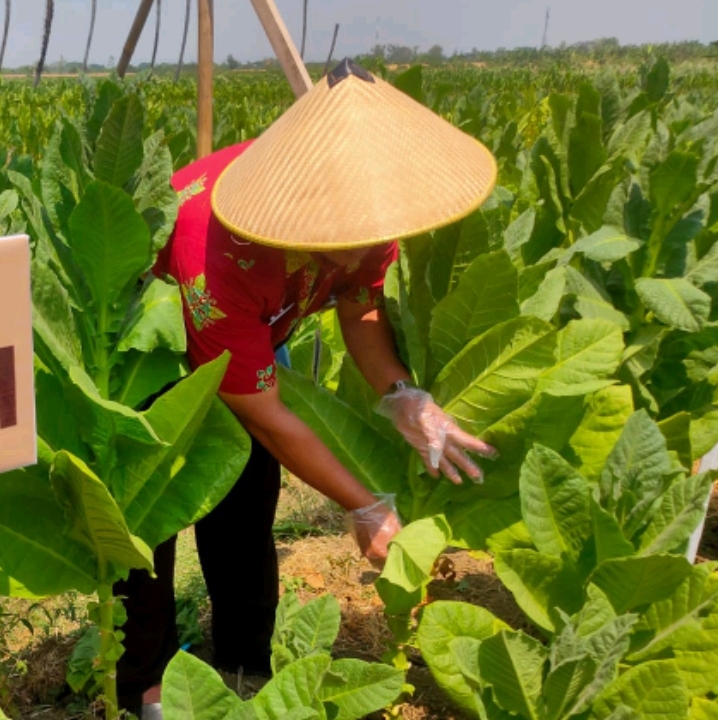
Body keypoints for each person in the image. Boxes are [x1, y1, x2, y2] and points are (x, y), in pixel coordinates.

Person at [118, 59, 500, 718]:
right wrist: (365, 505)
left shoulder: (371, 207)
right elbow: (264, 413)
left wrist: (399, 391)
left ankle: (243, 675)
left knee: (245, 510)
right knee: (145, 524)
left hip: (250, 337)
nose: (364, 250)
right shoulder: (218, 249)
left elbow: (360, 305)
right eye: (343, 241)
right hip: (151, 349)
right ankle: (146, 691)